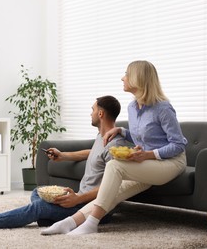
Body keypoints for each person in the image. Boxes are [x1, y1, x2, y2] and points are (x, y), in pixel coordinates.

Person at [41, 60, 187, 236]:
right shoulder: (132, 107)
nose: (122, 78)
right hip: (150, 165)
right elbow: (145, 136)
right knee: (115, 190)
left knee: (114, 165)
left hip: (170, 163)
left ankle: (92, 223)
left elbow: (178, 145)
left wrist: (148, 154)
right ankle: (70, 222)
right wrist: (122, 130)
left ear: (137, 78)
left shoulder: (163, 108)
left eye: (126, 74)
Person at [0, 95, 124, 229]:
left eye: (92, 110)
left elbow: (112, 186)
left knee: (39, 206)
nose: (90, 113)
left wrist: (78, 199)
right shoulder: (102, 136)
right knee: (37, 192)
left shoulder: (114, 145)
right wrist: (62, 155)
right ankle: (48, 218)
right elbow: (92, 153)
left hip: (94, 208)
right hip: (80, 199)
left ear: (100, 113)